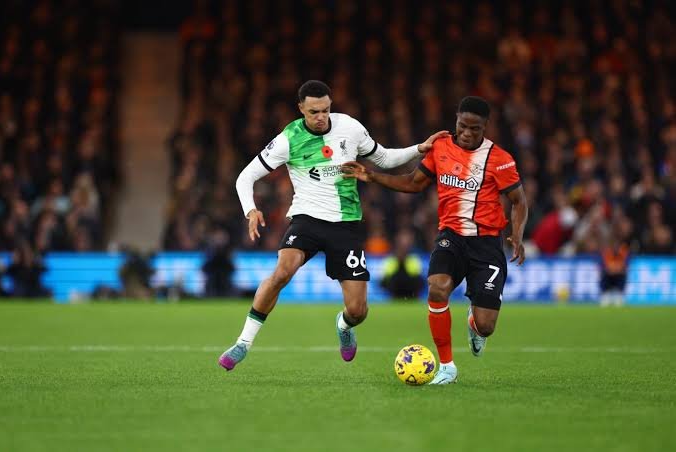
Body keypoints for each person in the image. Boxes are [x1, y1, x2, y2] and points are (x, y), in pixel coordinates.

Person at [219, 80, 448, 371]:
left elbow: (385, 158)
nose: (321, 117)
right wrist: (250, 210)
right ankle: (243, 343)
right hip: (307, 218)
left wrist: (420, 148)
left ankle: (343, 325)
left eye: (326, 110)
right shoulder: (288, 139)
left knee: (358, 311)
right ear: (300, 108)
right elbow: (245, 178)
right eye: (314, 111)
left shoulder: (350, 128)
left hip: (346, 224)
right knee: (282, 271)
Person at [342, 96, 528, 384]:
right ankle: (447, 366)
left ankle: (474, 325)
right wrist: (372, 176)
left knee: (486, 325)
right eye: (462, 126)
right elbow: (414, 183)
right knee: (437, 288)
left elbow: (519, 201)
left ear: (485, 128)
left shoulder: (500, 160)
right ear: (456, 120)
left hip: (487, 243)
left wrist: (517, 233)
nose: (466, 133)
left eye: (474, 129)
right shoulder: (440, 147)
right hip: (451, 237)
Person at [380, 229, 425, 299]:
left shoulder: (413, 258)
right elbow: (385, 279)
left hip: (411, 292)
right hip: (395, 292)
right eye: (402, 241)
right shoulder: (391, 259)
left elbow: (416, 277)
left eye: (407, 241)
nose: (404, 244)